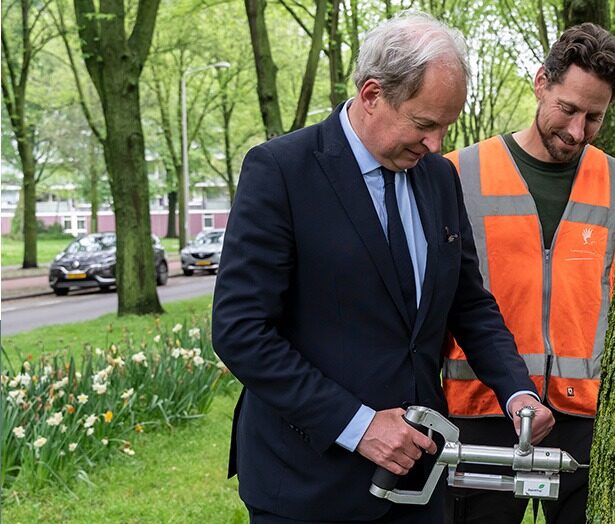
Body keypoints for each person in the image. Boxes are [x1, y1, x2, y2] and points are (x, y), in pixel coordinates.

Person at [212, 11, 554, 524]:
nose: (437, 143)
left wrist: (516, 389)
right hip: (309, 485)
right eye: (424, 124)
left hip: (419, 482)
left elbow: (468, 302)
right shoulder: (280, 171)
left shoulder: (437, 179)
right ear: (372, 95)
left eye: (445, 126)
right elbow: (240, 332)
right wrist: (359, 425)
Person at [442, 23, 615, 524]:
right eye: (567, 109)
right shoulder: (458, 173)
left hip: (583, 417)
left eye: (594, 118)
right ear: (541, 81)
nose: (576, 131)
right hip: (480, 409)